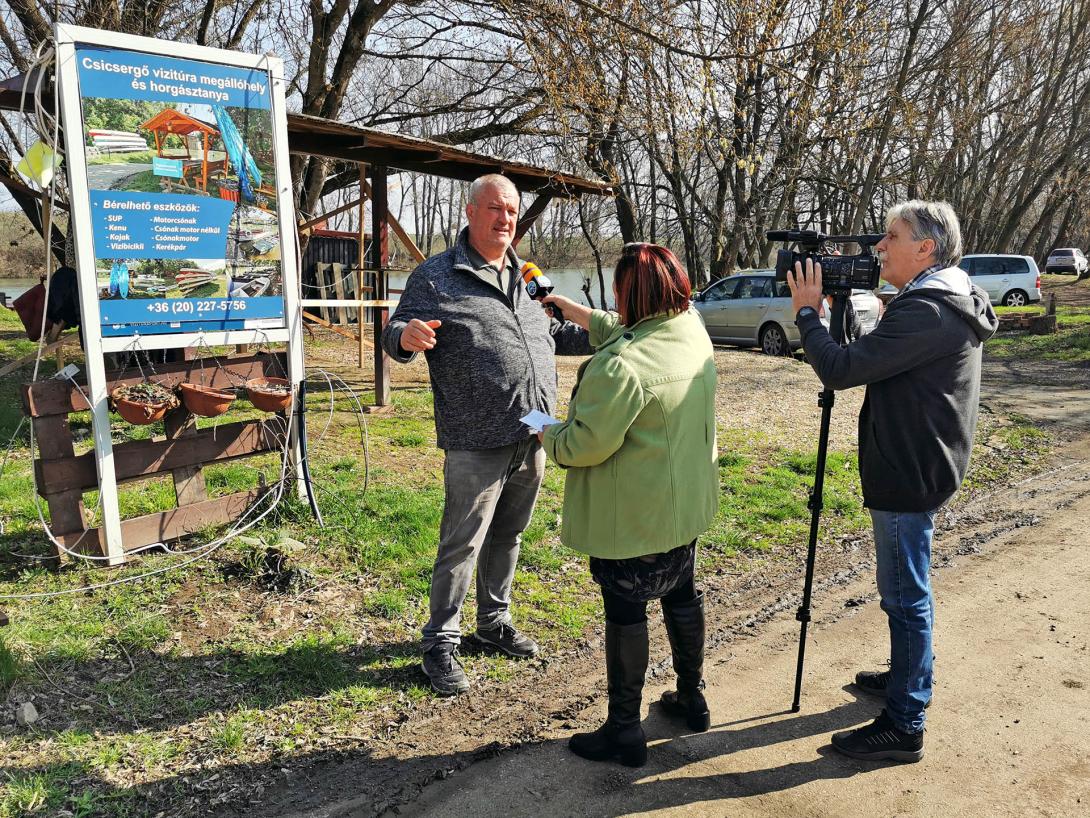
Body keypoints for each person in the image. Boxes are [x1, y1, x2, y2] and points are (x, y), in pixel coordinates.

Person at [787, 200, 998, 762]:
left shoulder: (928, 311)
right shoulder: (940, 298)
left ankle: (905, 722)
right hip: (923, 460)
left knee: (904, 596)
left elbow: (841, 369)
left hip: (909, 469)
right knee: (909, 589)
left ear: (925, 248)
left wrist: (808, 313)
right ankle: (909, 672)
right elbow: (872, 356)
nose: (878, 247)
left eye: (891, 237)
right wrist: (849, 310)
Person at [380, 174, 589, 696]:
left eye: (513, 211)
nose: (506, 219)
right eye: (496, 209)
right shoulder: (437, 276)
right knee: (461, 543)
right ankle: (439, 643)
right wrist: (404, 337)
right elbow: (395, 332)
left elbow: (550, 335)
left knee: (510, 535)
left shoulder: (527, 277)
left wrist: (615, 330)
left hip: (535, 430)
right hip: (475, 436)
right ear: (471, 212)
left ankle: (493, 623)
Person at [539, 244, 719, 768]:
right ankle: (691, 695)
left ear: (627, 295)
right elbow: (625, 328)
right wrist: (568, 308)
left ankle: (624, 730)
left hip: (633, 518)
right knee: (682, 595)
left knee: (625, 611)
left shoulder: (620, 366)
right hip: (682, 509)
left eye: (618, 292)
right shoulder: (690, 330)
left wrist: (544, 429)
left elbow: (580, 446)